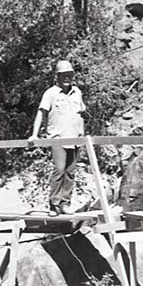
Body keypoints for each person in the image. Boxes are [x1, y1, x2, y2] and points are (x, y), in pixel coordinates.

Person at [30, 59, 87, 214]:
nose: (67, 77)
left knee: (70, 172)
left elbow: (81, 111)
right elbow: (41, 113)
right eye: (64, 74)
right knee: (59, 170)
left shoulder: (77, 92)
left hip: (75, 139)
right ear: (58, 76)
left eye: (70, 74)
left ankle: (65, 203)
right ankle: (54, 205)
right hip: (58, 138)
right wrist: (34, 134)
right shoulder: (51, 93)